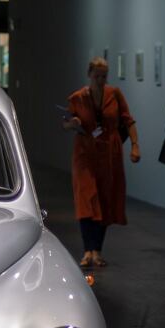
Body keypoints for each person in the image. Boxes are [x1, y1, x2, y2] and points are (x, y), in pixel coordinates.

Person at [63, 56, 140, 268]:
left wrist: (135, 145)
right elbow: (66, 123)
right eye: (97, 76)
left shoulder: (114, 94)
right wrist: (73, 123)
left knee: (105, 200)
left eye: (104, 76)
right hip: (85, 155)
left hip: (109, 154)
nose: (100, 80)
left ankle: (97, 250)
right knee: (86, 198)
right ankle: (87, 249)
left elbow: (128, 120)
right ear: (89, 74)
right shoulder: (78, 97)